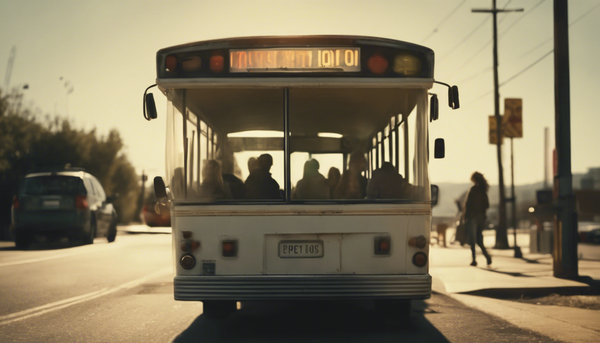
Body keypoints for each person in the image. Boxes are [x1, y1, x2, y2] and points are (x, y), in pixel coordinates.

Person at [464, 171, 492, 266]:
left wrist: (465, 217)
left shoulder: (473, 190)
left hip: (472, 217)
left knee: (473, 239)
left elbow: (468, 204)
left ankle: (474, 259)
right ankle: (486, 256)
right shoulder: (483, 190)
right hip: (481, 218)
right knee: (479, 239)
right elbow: (487, 205)